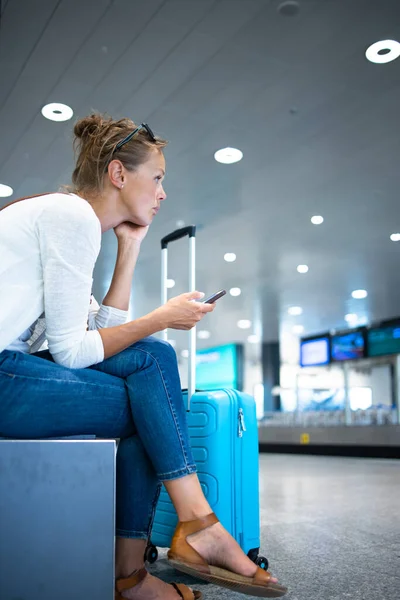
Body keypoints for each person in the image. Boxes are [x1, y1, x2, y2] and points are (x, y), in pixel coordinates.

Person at [0, 114, 287, 600]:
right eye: (156, 178)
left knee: (150, 362)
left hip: (14, 367)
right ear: (118, 175)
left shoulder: (68, 219)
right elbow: (73, 353)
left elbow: (106, 338)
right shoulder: (71, 219)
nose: (162, 192)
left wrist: (129, 248)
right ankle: (163, 554)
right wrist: (161, 318)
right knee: (149, 395)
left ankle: (170, 550)